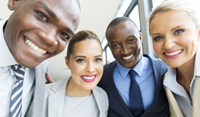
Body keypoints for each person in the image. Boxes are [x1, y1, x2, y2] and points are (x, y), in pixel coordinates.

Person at [0, 0, 80, 116]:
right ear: (15, 1)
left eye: (64, 35)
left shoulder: (41, 69)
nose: (50, 39)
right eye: (42, 16)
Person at [98, 17, 169, 117]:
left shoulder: (165, 70)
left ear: (140, 38)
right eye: (116, 45)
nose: (125, 51)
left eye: (130, 40)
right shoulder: (101, 76)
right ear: (109, 47)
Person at [149, 0, 200, 117]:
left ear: (198, 34)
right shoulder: (166, 82)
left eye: (179, 31)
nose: (168, 45)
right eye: (158, 38)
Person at [43, 30, 109, 117]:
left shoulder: (103, 96)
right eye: (81, 60)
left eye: (97, 59)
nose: (90, 69)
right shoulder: (42, 95)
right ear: (67, 63)